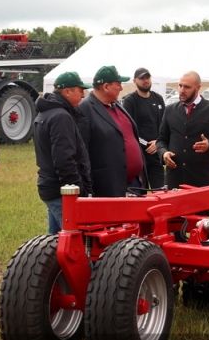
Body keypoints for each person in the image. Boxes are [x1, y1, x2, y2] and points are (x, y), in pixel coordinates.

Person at [33, 71, 93, 234]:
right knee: (76, 241)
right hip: (62, 192)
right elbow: (64, 159)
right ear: (67, 91)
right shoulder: (61, 116)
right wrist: (75, 191)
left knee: (55, 241)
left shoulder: (45, 113)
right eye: (80, 90)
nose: (83, 94)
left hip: (50, 187)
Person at [79, 65, 147, 197]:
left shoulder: (117, 105)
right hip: (108, 187)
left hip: (135, 184)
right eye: (118, 84)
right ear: (106, 87)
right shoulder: (85, 110)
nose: (121, 88)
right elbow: (82, 154)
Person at [157, 71, 209, 188]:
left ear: (198, 87)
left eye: (187, 87)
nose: (181, 90)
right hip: (174, 180)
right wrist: (164, 153)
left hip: (200, 181)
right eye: (180, 85)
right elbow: (161, 140)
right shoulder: (170, 110)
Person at [122, 67, 166, 189]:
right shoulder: (130, 101)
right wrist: (146, 143)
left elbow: (164, 125)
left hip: (157, 154)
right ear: (134, 81)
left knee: (161, 191)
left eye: (147, 77)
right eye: (142, 78)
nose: (145, 80)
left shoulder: (158, 98)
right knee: (140, 194)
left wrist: (158, 142)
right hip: (139, 155)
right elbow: (129, 129)